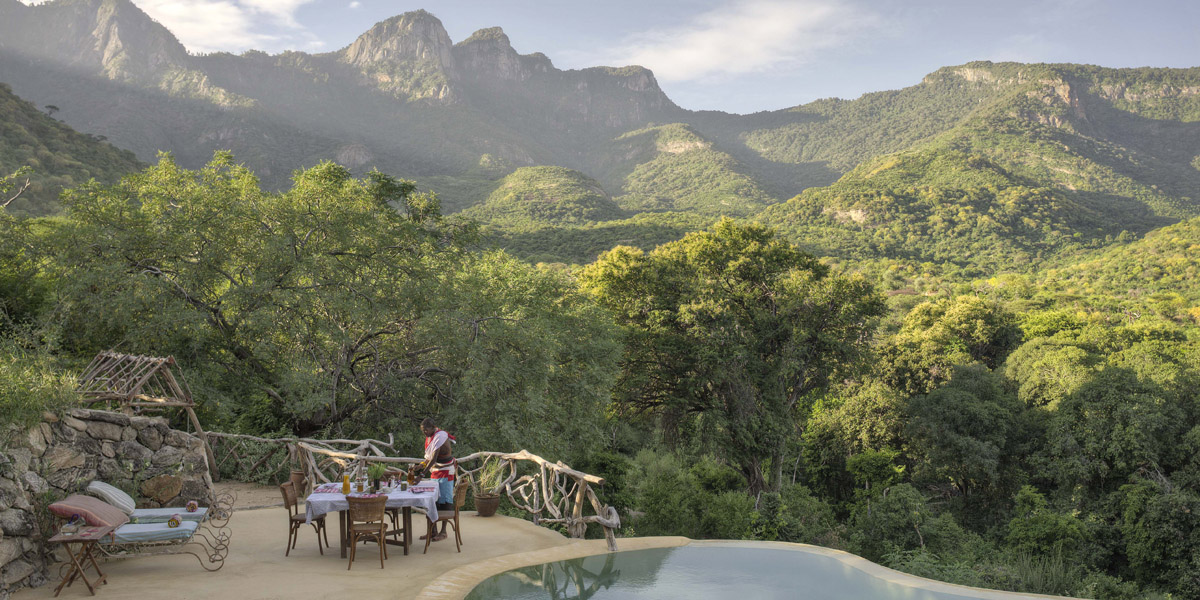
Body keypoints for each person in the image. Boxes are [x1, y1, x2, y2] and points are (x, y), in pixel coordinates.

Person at [412, 417, 455, 542]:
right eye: (423, 430)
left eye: (426, 430)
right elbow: (429, 458)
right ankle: (432, 531)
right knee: (433, 500)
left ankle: (443, 532)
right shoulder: (431, 437)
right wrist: (421, 465)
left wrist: (421, 475)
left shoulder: (440, 437)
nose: (424, 432)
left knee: (445, 501)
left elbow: (434, 458)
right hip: (435, 471)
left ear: (432, 427)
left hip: (446, 471)